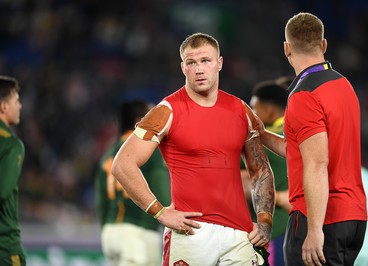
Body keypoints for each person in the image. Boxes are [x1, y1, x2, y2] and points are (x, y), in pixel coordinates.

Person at [111, 32, 275, 266]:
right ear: (183, 67)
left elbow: (261, 170)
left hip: (240, 233)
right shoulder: (167, 110)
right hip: (192, 233)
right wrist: (160, 212)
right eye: (192, 62)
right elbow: (123, 164)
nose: (199, 69)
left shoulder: (240, 110)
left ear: (219, 63)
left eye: (205, 61)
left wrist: (265, 220)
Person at [258, 12, 367, 265]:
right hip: (353, 217)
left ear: (287, 49)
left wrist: (315, 230)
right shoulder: (344, 86)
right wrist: (262, 135)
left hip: (320, 219)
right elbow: (304, 150)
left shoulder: (304, 95)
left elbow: (317, 164)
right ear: (324, 44)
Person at [95, 99, 170, 266]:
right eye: (151, 114)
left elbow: (101, 201)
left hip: (110, 231)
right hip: (138, 231)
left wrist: (107, 228)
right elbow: (161, 188)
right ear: (139, 121)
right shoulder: (149, 148)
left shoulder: (109, 153)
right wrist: (170, 216)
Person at [249, 79, 291, 266]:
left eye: (254, 109)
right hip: (295, 230)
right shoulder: (301, 134)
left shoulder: (259, 140)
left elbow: (241, 182)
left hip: (273, 232)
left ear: (270, 111)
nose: (251, 114)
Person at [0, 76, 25, 266]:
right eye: (16, 101)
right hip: (4, 245)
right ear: (3, 106)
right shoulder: (11, 144)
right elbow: (2, 191)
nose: (20, 106)